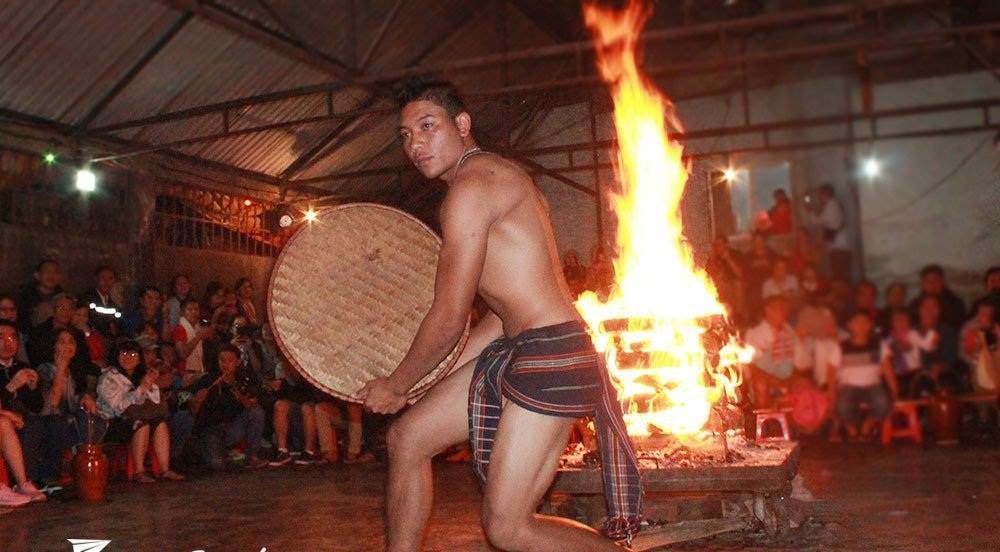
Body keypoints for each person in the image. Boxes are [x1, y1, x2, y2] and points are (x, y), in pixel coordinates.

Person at [360, 77, 641, 551]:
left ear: (463, 124)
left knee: (508, 528)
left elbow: (450, 314)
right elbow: (497, 317)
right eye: (406, 135)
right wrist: (430, 378)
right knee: (407, 437)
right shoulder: (491, 178)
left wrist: (399, 383)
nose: (416, 143)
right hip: (524, 348)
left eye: (428, 126)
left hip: (551, 357)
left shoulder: (472, 187)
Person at [96, 340, 185, 483]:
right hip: (113, 422)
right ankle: (139, 471)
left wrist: (149, 384)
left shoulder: (142, 374)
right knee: (141, 424)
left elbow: (155, 401)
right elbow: (117, 407)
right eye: (124, 353)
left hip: (138, 416)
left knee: (159, 422)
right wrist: (140, 390)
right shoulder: (108, 378)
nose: (128, 357)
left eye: (133, 353)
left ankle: (165, 469)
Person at [30, 329, 106, 485]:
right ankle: (50, 477)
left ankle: (88, 472)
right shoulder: (45, 369)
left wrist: (86, 398)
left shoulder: (75, 371)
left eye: (71, 341)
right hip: (46, 421)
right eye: (61, 341)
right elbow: (51, 404)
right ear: (53, 346)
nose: (67, 345)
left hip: (68, 420)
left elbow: (73, 403)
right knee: (58, 423)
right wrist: (60, 369)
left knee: (91, 417)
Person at [190, 345, 267, 471]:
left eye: (230, 361)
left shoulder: (243, 380)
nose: (225, 364)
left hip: (232, 430)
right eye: (222, 360)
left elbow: (253, 404)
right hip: (211, 431)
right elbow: (188, 404)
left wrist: (242, 399)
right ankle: (223, 453)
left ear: (238, 362)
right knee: (217, 466)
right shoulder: (208, 380)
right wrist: (196, 401)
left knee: (256, 412)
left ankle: (252, 456)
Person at [830, 310, 897, 442]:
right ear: (849, 325)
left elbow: (888, 370)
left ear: (870, 325)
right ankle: (852, 431)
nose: (861, 326)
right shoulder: (841, 346)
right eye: (857, 322)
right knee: (842, 406)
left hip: (873, 386)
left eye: (864, 322)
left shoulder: (879, 345)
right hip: (848, 386)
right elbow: (831, 371)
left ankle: (867, 427)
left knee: (883, 403)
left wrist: (894, 390)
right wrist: (831, 392)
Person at [744, 296, 803, 408]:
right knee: (761, 384)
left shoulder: (790, 332)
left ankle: (798, 423)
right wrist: (773, 380)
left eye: (785, 309)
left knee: (804, 385)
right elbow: (750, 366)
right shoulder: (755, 334)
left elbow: (799, 365)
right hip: (766, 382)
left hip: (787, 380)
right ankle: (764, 423)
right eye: (780, 308)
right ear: (768, 310)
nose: (784, 312)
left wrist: (790, 380)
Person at [880, 309, 937, 398]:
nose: (901, 322)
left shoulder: (913, 335)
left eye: (904, 320)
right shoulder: (886, 341)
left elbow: (927, 346)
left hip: (913, 374)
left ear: (909, 322)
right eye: (898, 320)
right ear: (892, 322)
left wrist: (931, 332)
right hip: (897, 376)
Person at [811, 183, 851, 282]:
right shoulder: (832, 206)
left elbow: (820, 222)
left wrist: (810, 210)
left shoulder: (831, 207)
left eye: (820, 195)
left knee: (839, 279)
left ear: (824, 194)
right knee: (840, 277)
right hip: (839, 248)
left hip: (839, 249)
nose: (819, 198)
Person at [16, 259, 64, 333]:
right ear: (37, 275)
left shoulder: (64, 298)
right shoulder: (25, 297)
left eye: (55, 272)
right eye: (47, 271)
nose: (51, 275)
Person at [80, 266, 121, 339]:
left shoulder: (113, 305)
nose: (106, 282)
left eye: (110, 278)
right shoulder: (87, 299)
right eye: (103, 278)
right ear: (96, 279)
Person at [0, 295, 30, 364]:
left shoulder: (20, 335)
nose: (9, 313)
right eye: (3, 309)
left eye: (12, 309)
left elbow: (23, 361)